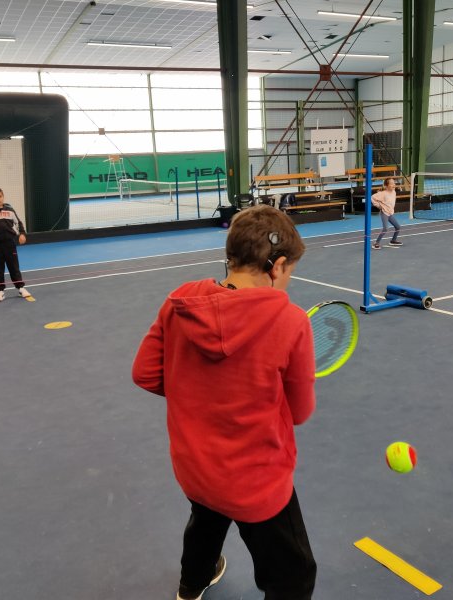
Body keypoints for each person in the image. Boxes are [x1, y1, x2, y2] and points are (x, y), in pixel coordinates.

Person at [132, 205, 317, 600]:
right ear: (277, 266)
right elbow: (300, 412)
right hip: (257, 481)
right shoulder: (291, 321)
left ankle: (191, 586)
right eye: (289, 272)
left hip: (196, 467)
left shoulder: (180, 301)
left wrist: (195, 391)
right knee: (294, 575)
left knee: (207, 519)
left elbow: (145, 373)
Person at [371, 177, 402, 249]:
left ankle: (393, 241)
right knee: (385, 229)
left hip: (390, 213)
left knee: (398, 227)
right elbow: (372, 197)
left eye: (394, 183)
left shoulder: (394, 192)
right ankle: (376, 243)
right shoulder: (383, 194)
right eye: (391, 184)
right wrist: (379, 206)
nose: (394, 185)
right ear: (386, 186)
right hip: (384, 213)